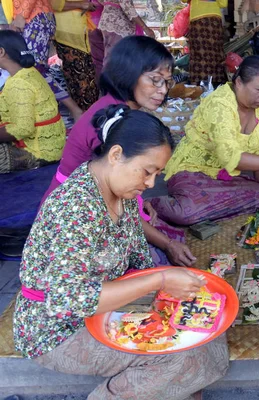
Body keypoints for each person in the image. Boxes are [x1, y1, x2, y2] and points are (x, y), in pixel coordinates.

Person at [13, 106, 229, 399]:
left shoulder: (121, 191)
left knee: (204, 324)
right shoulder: (76, 207)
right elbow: (68, 299)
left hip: (107, 304)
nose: (152, 183)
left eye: (158, 174)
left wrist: (165, 291)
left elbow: (139, 259)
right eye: (148, 171)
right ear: (115, 155)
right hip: (57, 328)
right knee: (178, 356)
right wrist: (160, 281)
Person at [41, 36, 196, 267]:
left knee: (164, 241)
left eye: (167, 82)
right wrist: (165, 244)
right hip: (77, 219)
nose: (163, 90)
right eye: (155, 80)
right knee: (157, 260)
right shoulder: (112, 124)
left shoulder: (116, 109)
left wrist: (139, 199)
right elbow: (114, 203)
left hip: (98, 205)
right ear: (128, 74)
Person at [150, 56, 259, 226]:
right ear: (239, 83)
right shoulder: (220, 104)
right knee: (185, 214)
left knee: (258, 196)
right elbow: (230, 158)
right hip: (192, 171)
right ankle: (154, 204)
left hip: (222, 176)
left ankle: (209, 207)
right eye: (258, 89)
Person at [0, 30, 65, 173]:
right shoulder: (29, 72)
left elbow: (23, 129)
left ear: (1, 52)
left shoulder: (18, 83)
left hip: (38, 153)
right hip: (52, 146)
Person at [8, 0, 83, 120]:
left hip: (32, 18)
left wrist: (21, 15)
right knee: (31, 70)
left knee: (34, 69)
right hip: (34, 17)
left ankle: (73, 109)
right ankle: (49, 113)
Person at [51, 0, 99, 110]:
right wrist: (81, 5)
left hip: (79, 34)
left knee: (86, 77)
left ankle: (89, 115)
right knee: (80, 80)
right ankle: (85, 117)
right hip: (68, 35)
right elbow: (53, 3)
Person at [187, 0, 228, 86]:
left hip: (197, 17)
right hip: (214, 19)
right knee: (216, 53)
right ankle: (217, 82)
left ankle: (197, 84)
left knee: (198, 54)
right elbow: (223, 3)